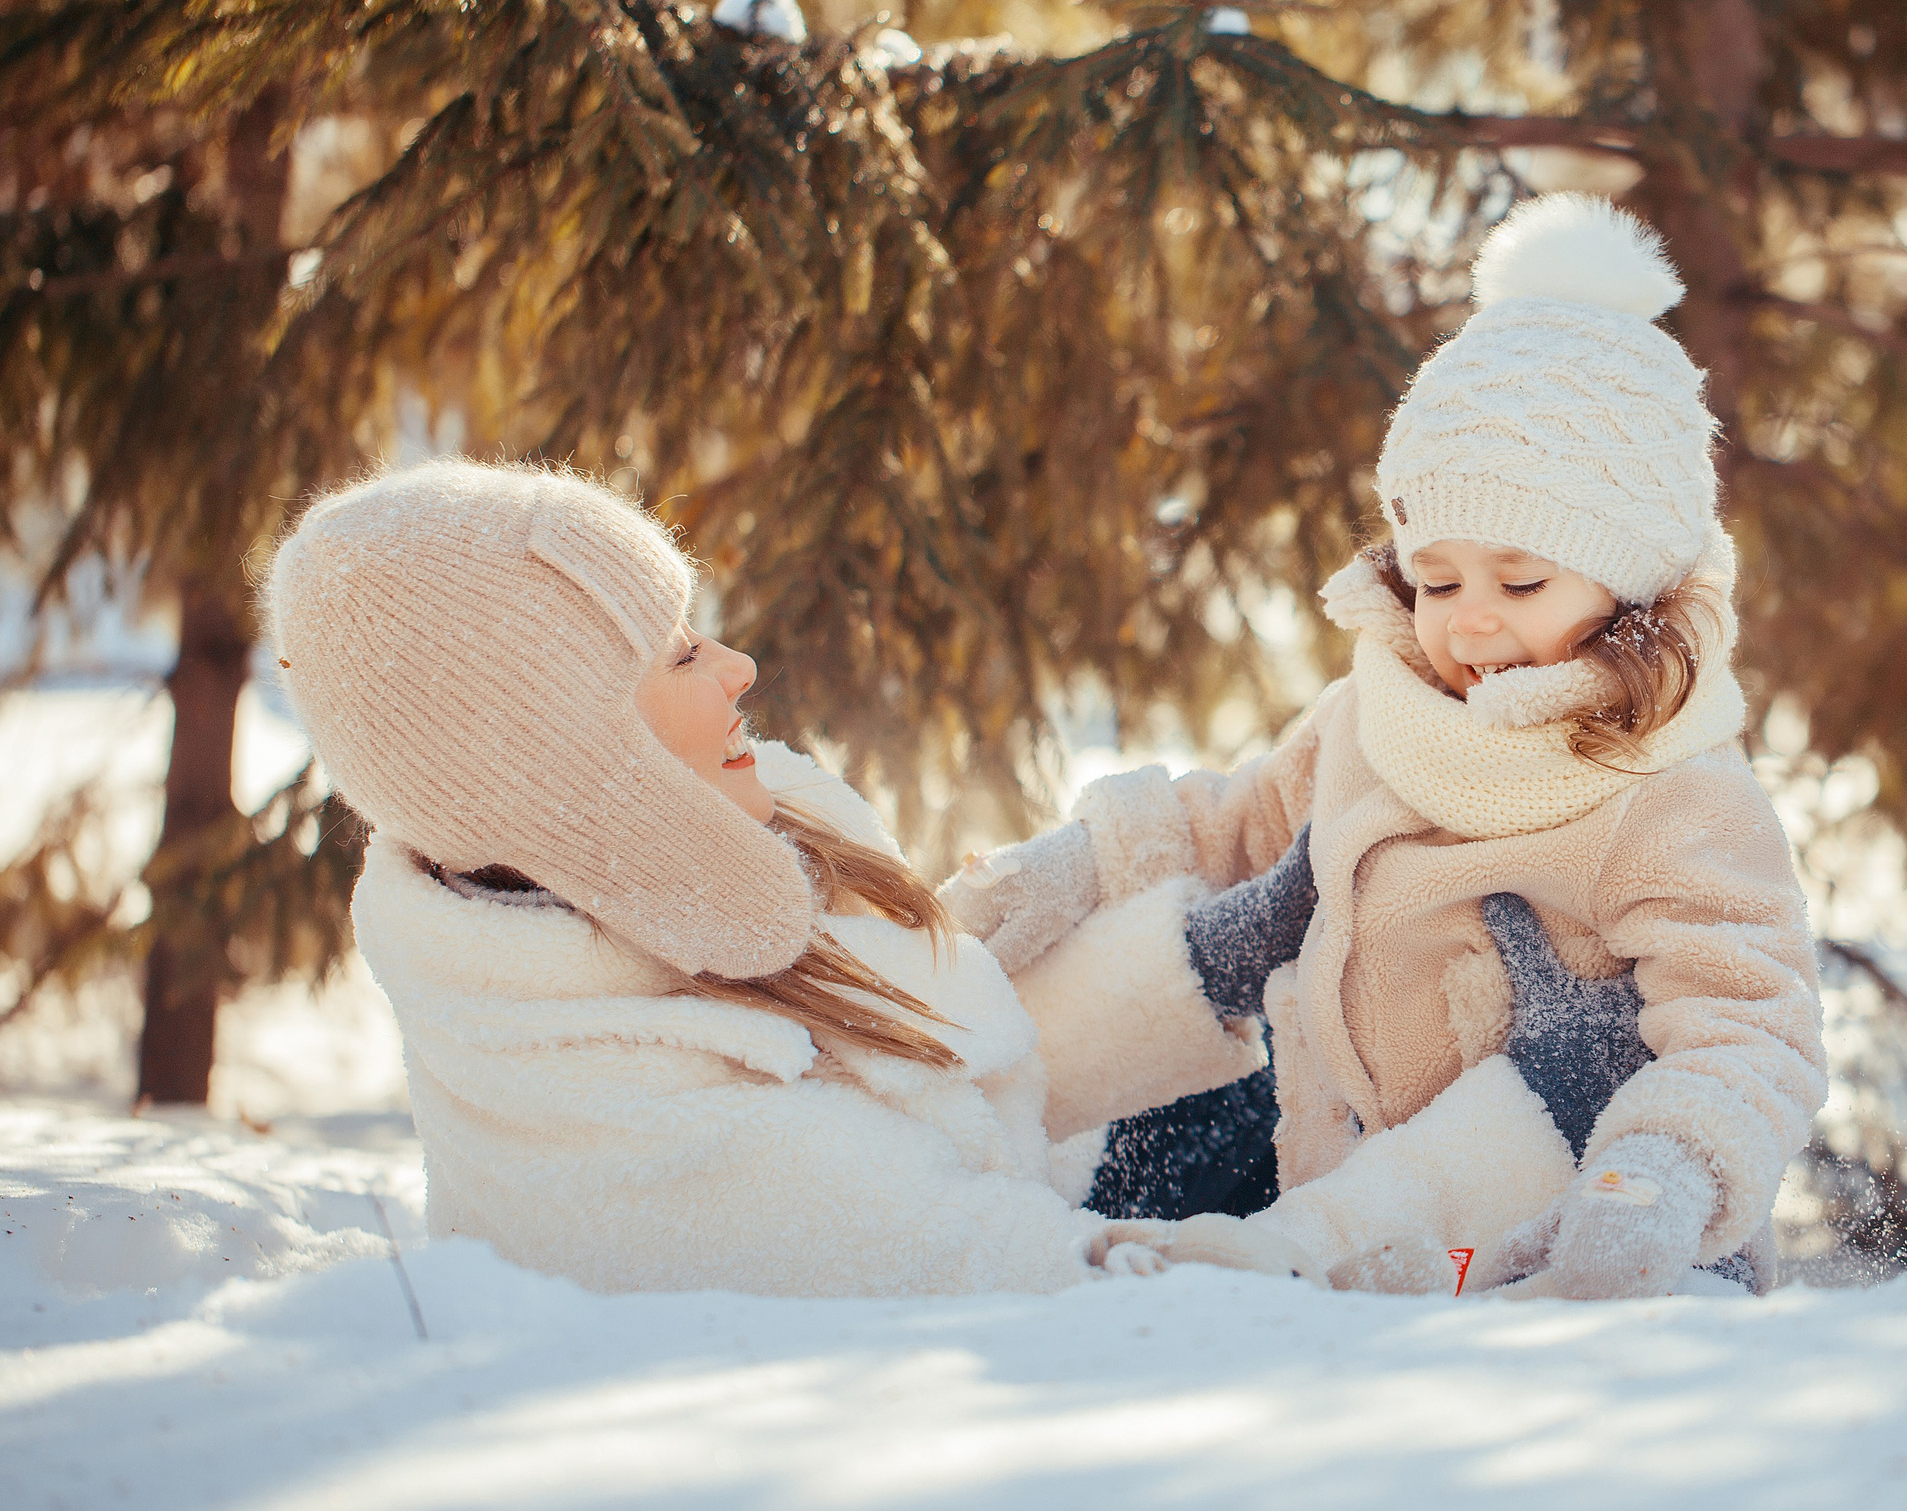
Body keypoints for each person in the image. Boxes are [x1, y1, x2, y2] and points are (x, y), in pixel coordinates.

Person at [947, 195, 1827, 1299]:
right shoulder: (1376, 718)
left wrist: (1659, 1172)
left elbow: (1748, 1022)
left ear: (1631, 580)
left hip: (1576, 1243)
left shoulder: (1668, 790)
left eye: (1521, 582)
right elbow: (1234, 824)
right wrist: (1083, 859)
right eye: (1437, 580)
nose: (1470, 620)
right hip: (1360, 1237)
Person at [263, 458, 1314, 1297]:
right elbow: (1015, 1269)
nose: (737, 669)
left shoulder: (687, 847)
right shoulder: (619, 1141)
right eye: (680, 656)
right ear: (574, 761)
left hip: (1042, 1178)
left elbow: (929, 1062)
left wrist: (1203, 961)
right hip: (1057, 1263)